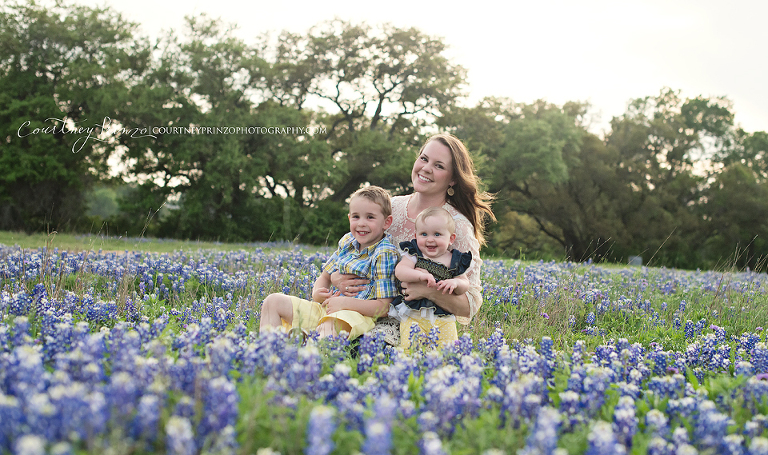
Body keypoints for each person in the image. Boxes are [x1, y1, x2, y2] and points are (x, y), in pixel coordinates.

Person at [332, 133, 495, 346]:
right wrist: (337, 277)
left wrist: (429, 291)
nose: (426, 168)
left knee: (355, 352)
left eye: (439, 166)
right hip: (362, 309)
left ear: (453, 179)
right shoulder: (390, 206)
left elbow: (470, 303)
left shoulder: (457, 225)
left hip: (416, 326)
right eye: (424, 159)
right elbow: (353, 250)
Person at [259, 186, 398, 340]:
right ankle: (269, 349)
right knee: (273, 301)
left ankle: (309, 353)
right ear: (349, 218)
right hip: (327, 308)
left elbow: (384, 307)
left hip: (355, 315)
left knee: (329, 324)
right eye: (356, 216)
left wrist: (344, 303)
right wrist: (317, 292)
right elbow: (326, 276)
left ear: (387, 222)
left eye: (370, 217)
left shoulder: (384, 252)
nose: (361, 223)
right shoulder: (347, 241)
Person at [390, 206, 472, 347]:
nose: (430, 240)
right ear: (415, 236)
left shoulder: (455, 260)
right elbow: (400, 270)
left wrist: (455, 283)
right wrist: (418, 276)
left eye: (437, 234)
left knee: (447, 352)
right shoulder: (414, 254)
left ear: (451, 238)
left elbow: (465, 283)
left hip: (444, 317)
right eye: (424, 234)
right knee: (410, 349)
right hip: (414, 315)